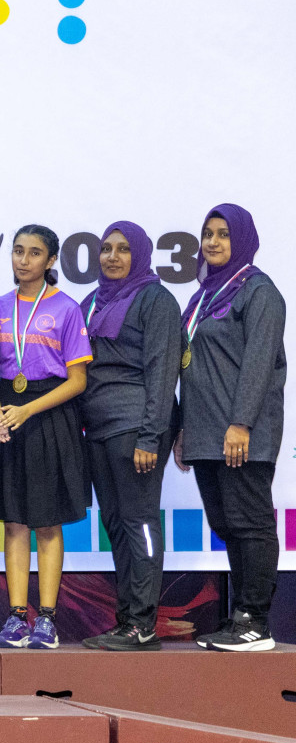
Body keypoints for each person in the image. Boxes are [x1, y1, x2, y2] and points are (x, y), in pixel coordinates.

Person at [173, 204, 285, 652]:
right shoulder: (202, 296)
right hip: (204, 433)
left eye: (223, 234)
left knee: (250, 524)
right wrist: (183, 429)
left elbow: (259, 363)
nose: (213, 242)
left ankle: (255, 619)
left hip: (241, 435)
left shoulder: (258, 291)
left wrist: (241, 424)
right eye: (207, 234)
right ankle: (239, 618)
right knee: (226, 524)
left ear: (242, 240)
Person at [0, 225, 91, 650]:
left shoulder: (66, 309)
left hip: (47, 414)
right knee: (14, 522)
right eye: (17, 251)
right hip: (6, 413)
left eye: (33, 253)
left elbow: (78, 380)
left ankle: (45, 619)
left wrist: (27, 410)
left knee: (46, 523)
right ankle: (15, 617)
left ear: (50, 261)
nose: (22, 260)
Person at [77, 222, 182, 651]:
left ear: (138, 254)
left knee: (140, 523)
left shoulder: (156, 300)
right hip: (97, 429)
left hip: (135, 426)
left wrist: (150, 437)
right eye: (105, 249)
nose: (112, 257)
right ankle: (126, 621)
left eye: (122, 249)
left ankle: (143, 624)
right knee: (116, 525)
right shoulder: (91, 302)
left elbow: (163, 372)